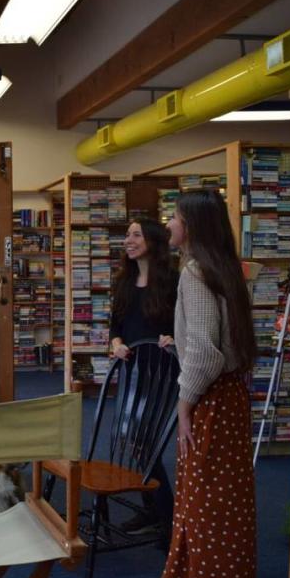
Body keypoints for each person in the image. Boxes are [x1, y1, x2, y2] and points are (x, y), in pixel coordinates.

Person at [160, 190, 257, 578]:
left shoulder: (196, 272)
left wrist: (184, 404)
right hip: (231, 396)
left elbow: (203, 353)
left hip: (211, 399)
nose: (169, 225)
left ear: (192, 226)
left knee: (206, 503)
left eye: (175, 217)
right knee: (223, 500)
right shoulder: (225, 269)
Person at [108, 220, 179, 537]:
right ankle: (155, 511)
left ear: (152, 240)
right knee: (135, 443)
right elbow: (115, 326)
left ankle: (168, 517)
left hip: (161, 374)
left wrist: (174, 337)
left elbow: (185, 325)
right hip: (131, 371)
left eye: (136, 235)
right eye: (127, 235)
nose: (128, 240)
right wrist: (116, 344)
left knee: (146, 444)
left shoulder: (173, 282)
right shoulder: (123, 281)